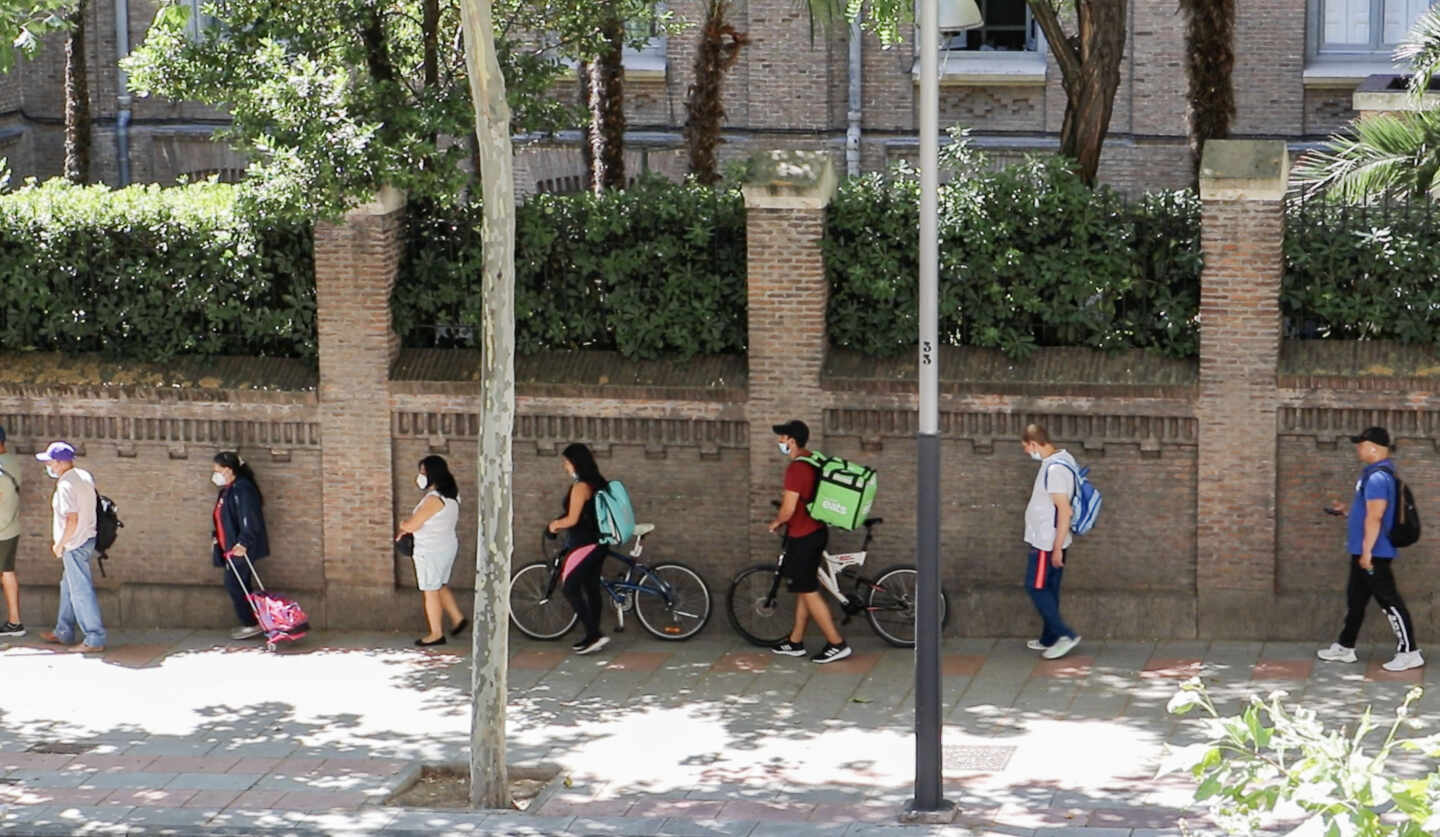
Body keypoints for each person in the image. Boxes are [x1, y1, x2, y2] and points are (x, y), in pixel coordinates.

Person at [1316, 427, 1423, 672]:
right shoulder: (1372, 475)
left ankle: (1410, 652)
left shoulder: (1377, 478)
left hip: (1374, 553)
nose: (1358, 449)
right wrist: (1347, 513)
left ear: (1374, 447)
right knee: (1355, 601)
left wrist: (1367, 553)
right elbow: (1367, 513)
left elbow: (1375, 517)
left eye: (1361, 444)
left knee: (1389, 602)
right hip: (1364, 550)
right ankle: (1345, 646)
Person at [768, 419, 851, 664]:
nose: (779, 442)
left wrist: (776, 522)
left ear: (791, 441)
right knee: (805, 587)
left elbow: (788, 508)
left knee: (807, 589)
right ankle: (795, 641)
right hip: (816, 532)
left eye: (782, 438)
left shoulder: (796, 469)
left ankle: (837, 643)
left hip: (803, 536)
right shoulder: (813, 459)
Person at [36, 441, 106, 653]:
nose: (48, 465)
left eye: (50, 461)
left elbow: (71, 520)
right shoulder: (84, 476)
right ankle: (63, 630)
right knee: (69, 587)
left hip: (74, 544)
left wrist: (60, 544)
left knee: (80, 591)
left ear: (59, 463)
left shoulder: (65, 485)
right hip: (88, 539)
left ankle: (95, 638)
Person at [1020, 424, 1081, 660]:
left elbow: (1064, 511)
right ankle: (1049, 637)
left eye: (1026, 447)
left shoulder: (1054, 470)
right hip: (1052, 540)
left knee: (1035, 586)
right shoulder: (1063, 459)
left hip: (1046, 543)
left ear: (1034, 444)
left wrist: (1055, 548)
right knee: (1050, 589)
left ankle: (1065, 635)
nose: (1027, 452)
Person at [397, 455, 468, 646]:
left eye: (423, 472)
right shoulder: (452, 496)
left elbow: (413, 525)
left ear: (431, 474)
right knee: (440, 585)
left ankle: (436, 633)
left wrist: (402, 524)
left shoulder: (433, 500)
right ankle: (457, 618)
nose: (420, 476)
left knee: (430, 590)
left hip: (430, 551)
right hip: (446, 546)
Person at [548, 443, 611, 655]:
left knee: (570, 587)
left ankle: (594, 634)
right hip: (600, 542)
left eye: (566, 462)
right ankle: (593, 634)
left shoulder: (580, 487)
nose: (564, 466)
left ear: (575, 463)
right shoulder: (598, 483)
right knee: (591, 587)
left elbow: (573, 519)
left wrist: (554, 525)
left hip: (584, 544)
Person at [211, 452, 271, 641]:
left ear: (228, 470)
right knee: (240, 585)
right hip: (230, 548)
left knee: (234, 584)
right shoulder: (228, 490)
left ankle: (251, 623)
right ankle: (254, 621)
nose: (215, 475)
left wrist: (243, 542)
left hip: (240, 548)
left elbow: (249, 517)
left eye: (217, 470)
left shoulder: (243, 489)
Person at [0, 426, 23, 637]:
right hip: (11, 526)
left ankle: (15, 622)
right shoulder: (12, 462)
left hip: (1, 529)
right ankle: (14, 622)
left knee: (6, 573)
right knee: (7, 572)